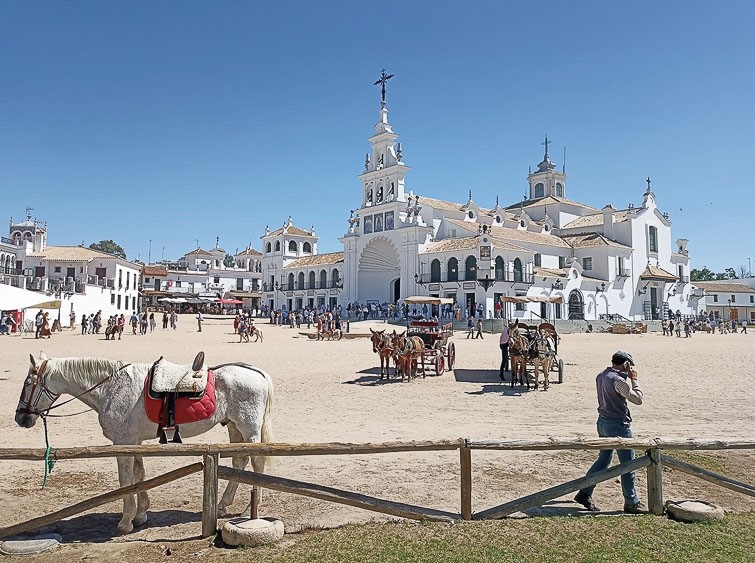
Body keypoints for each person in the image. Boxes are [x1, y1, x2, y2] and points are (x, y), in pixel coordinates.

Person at [574, 350, 645, 514]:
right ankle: (631, 501)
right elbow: (638, 399)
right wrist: (635, 380)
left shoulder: (601, 375)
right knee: (628, 464)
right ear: (626, 364)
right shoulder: (619, 380)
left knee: (604, 459)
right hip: (618, 425)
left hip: (602, 422)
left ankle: (585, 492)